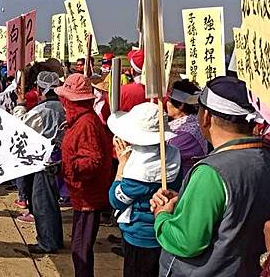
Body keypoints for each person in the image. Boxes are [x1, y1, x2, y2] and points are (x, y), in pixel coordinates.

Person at [151, 76, 270, 276]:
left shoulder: (211, 171)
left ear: (206, 116)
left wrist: (161, 215)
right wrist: (185, 202)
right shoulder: (264, 156)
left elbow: (187, 241)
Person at [107, 102, 182, 277]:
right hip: (163, 231)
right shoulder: (172, 154)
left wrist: (121, 167)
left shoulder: (138, 171)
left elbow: (115, 199)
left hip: (141, 236)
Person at [55, 73, 114, 277]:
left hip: (89, 195)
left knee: (81, 248)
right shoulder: (80, 120)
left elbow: (94, 161)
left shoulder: (86, 123)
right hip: (82, 194)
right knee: (79, 247)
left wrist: (69, 166)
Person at [13, 72, 66, 254]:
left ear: (39, 89)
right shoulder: (62, 107)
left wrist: (20, 106)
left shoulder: (42, 110)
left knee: (42, 203)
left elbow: (20, 127)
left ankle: (47, 242)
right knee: (50, 202)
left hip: (44, 162)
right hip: (58, 159)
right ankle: (54, 238)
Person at [166, 80, 208, 176]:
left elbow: (166, 156)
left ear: (181, 105)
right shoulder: (185, 124)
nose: (166, 103)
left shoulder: (188, 133)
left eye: (169, 100)